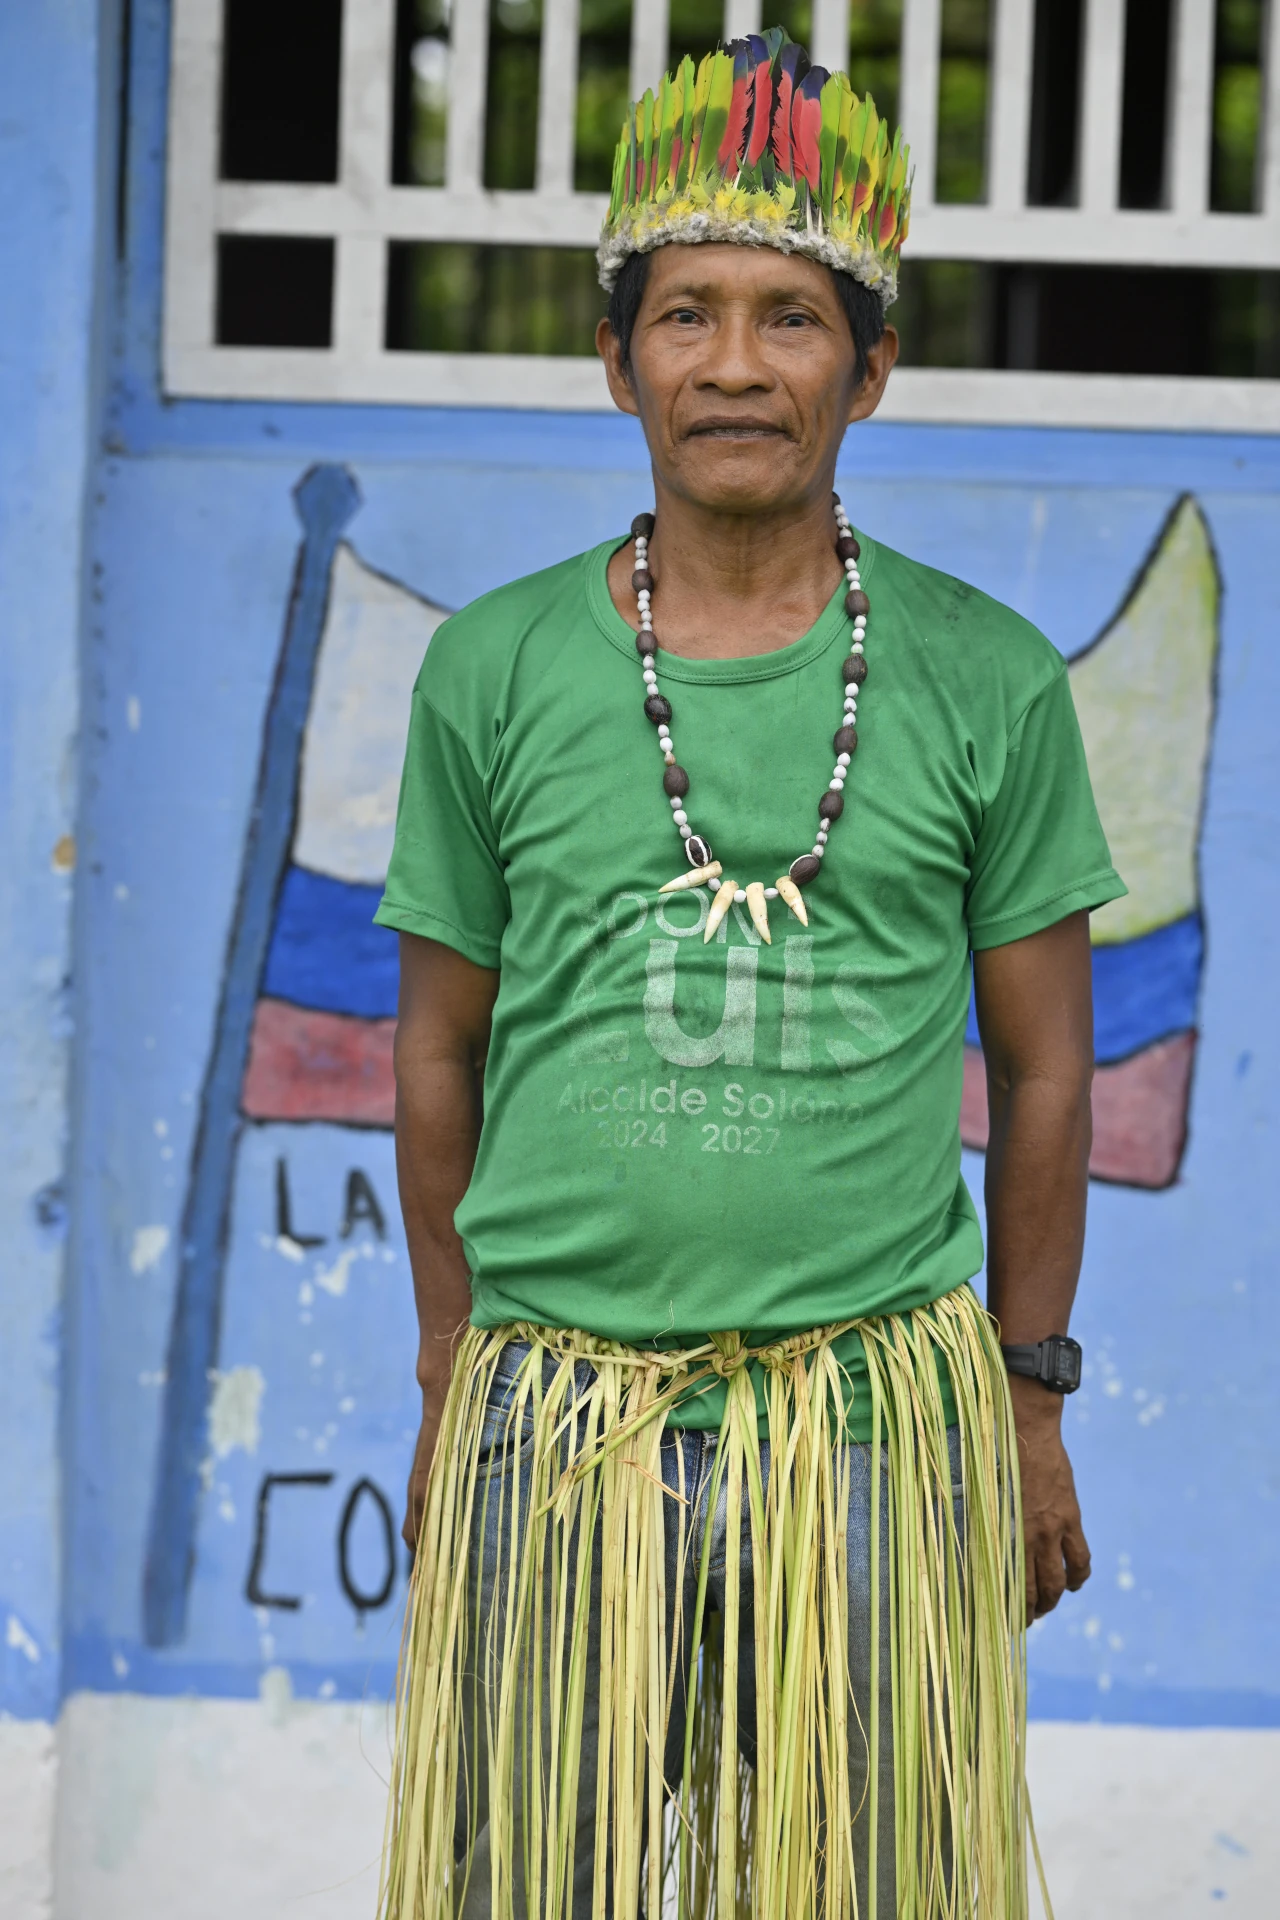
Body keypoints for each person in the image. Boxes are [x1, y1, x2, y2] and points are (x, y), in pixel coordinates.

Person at [375, 29, 1123, 1920]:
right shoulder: (494, 669)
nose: (731, 363)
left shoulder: (988, 678)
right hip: (557, 1431)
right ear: (613, 355)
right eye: (686, 312)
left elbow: (1048, 1076)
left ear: (874, 367)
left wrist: (1027, 1407)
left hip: (870, 1434)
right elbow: (435, 1058)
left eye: (791, 317)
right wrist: (457, 1364)